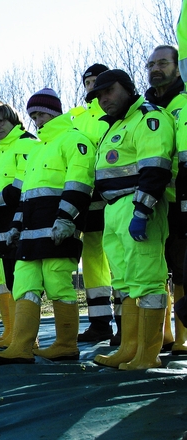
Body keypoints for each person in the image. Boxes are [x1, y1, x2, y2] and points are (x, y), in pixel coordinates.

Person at [0, 88, 95, 366]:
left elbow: (80, 183)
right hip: (29, 234)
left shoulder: (74, 140)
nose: (38, 119)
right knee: (24, 285)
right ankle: (21, 347)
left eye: (42, 113)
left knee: (58, 283)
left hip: (58, 229)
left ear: (56, 111)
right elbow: (27, 196)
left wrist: (66, 218)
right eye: (33, 115)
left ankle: (66, 345)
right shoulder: (37, 149)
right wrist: (16, 227)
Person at [87, 69, 174, 370]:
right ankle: (129, 347)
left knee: (147, 282)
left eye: (108, 91)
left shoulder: (148, 118)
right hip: (114, 211)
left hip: (137, 207)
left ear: (126, 88)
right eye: (98, 96)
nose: (103, 99)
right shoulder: (113, 127)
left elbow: (156, 168)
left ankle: (149, 353)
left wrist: (142, 212)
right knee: (124, 283)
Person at [0, 101, 38, 347]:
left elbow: (22, 185)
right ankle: (14, 334)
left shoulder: (27, 143)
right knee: (9, 279)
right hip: (0, 223)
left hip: (22, 220)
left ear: (14, 119)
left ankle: (26, 340)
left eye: (1, 121)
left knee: (25, 281)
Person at [144, 45, 187, 355]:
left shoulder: (183, 104)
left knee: (183, 270)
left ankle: (183, 339)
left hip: (179, 202)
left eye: (162, 63)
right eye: (150, 64)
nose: (155, 69)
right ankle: (164, 335)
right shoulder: (146, 111)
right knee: (158, 270)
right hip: (154, 203)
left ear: (177, 67)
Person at [70, 64, 117, 344]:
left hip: (114, 195)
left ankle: (127, 326)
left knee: (119, 259)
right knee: (93, 263)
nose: (91, 86)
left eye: (96, 81)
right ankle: (100, 323)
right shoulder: (76, 117)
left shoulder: (116, 112)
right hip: (87, 199)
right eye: (87, 82)